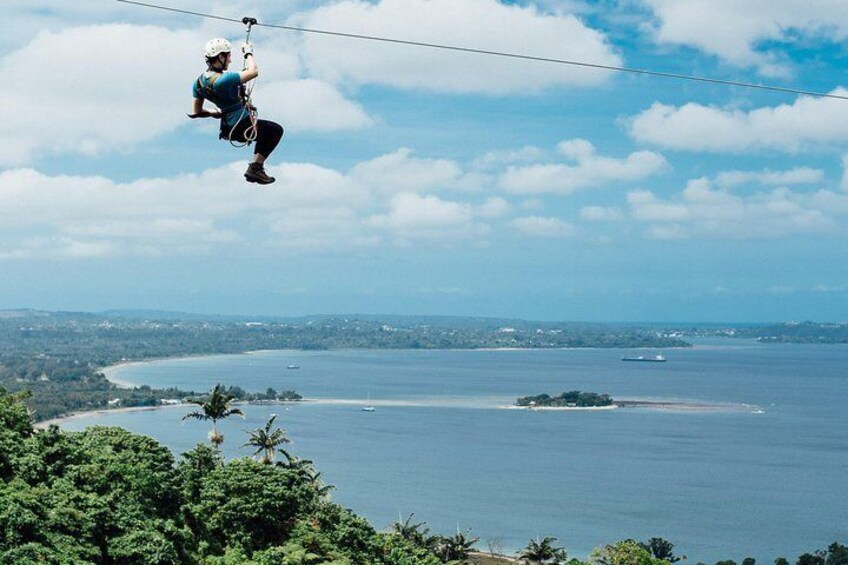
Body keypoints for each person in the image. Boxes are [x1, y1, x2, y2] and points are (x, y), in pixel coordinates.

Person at [189, 38, 284, 185]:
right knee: (274, 131)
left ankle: (256, 168)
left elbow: (197, 112)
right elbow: (254, 72)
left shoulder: (199, 83)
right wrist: (248, 52)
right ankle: (256, 167)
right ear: (221, 57)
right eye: (228, 56)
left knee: (268, 131)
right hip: (241, 125)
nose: (230, 60)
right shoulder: (225, 79)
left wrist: (218, 111)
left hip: (228, 128)